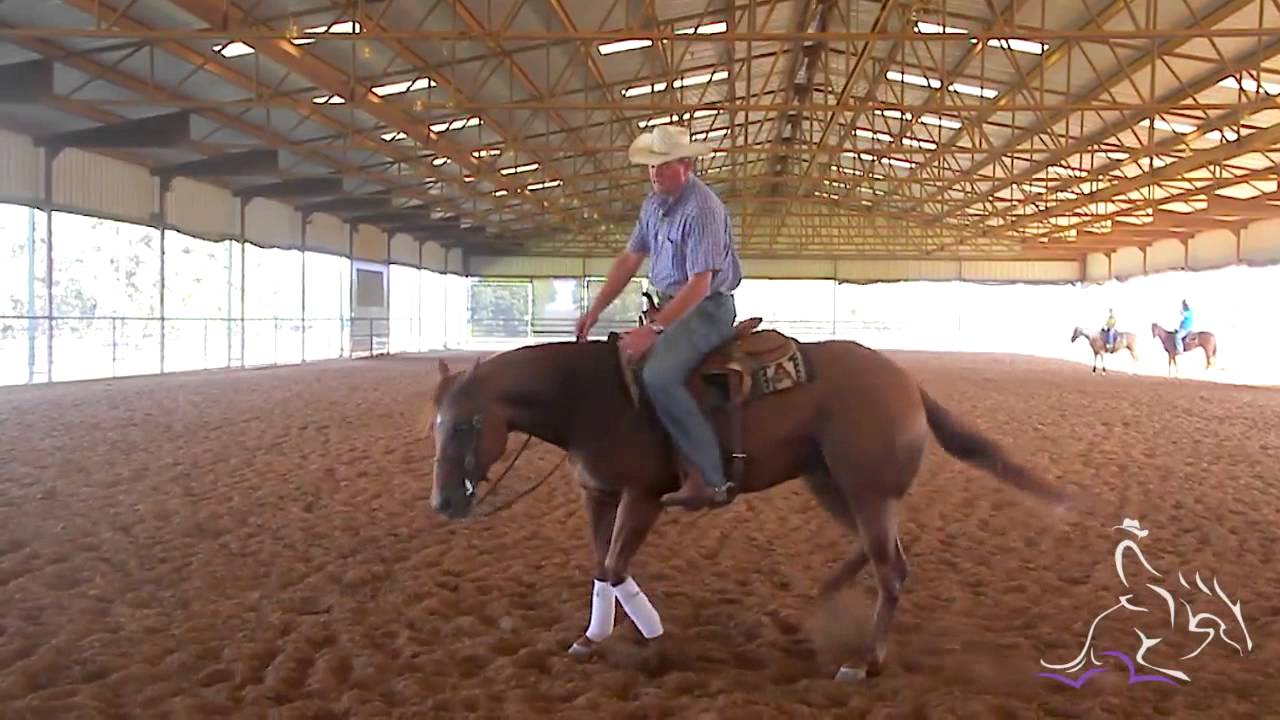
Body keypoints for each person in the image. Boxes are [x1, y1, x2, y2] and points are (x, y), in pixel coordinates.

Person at [574, 124, 743, 511]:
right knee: (619, 364)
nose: (655, 172)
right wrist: (595, 310)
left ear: (687, 165)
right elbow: (629, 259)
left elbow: (700, 285)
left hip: (706, 309)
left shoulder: (703, 209)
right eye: (651, 165)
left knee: (660, 376)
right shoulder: (653, 205)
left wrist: (653, 330)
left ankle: (711, 479)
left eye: (664, 165)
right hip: (669, 304)